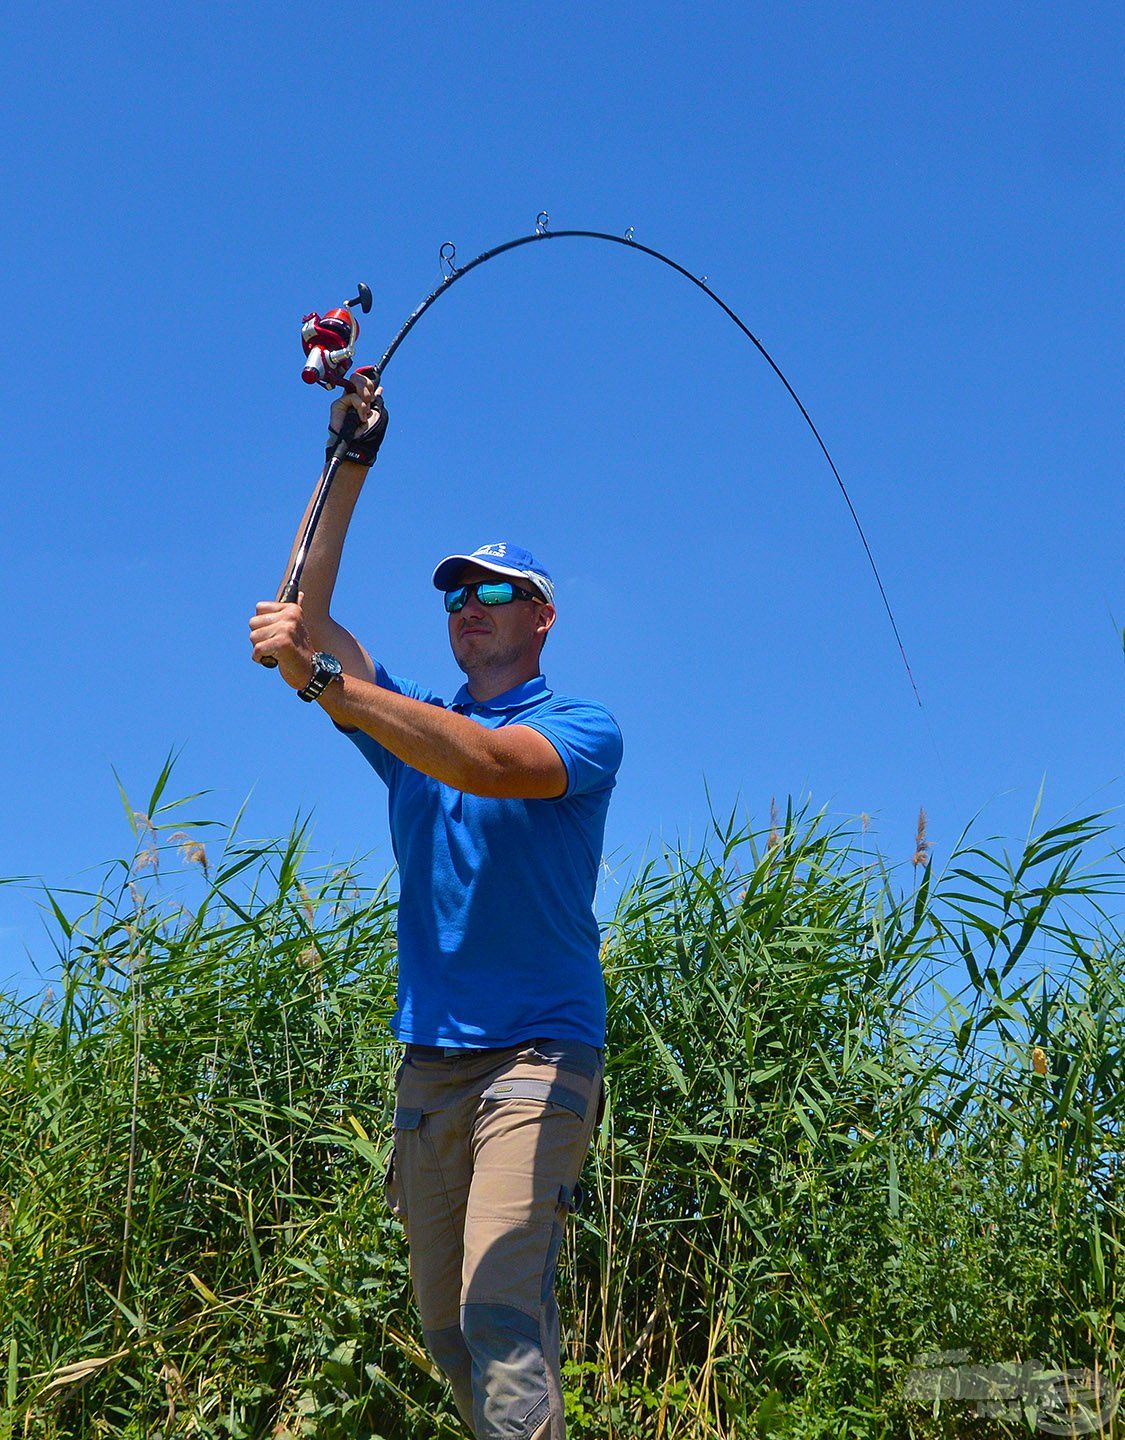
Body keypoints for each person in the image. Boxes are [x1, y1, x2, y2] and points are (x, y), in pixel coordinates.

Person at [248, 373, 623, 1439]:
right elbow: (304, 623)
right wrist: (347, 461)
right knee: (444, 1327)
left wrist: (326, 681)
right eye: (454, 597)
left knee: (498, 1303)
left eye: (491, 594)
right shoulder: (407, 725)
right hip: (431, 1061)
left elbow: (489, 763)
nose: (467, 610)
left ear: (542, 616)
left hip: (539, 1056)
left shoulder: (582, 728)